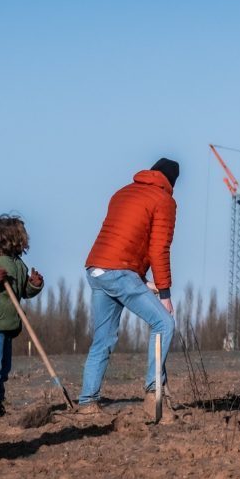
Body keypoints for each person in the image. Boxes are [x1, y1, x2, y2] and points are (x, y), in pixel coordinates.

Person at [78, 158, 179, 423]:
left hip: (97, 268)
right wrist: (165, 293)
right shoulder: (163, 200)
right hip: (118, 271)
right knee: (164, 323)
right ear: (171, 182)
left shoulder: (122, 192)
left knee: (103, 339)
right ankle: (152, 395)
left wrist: (142, 280)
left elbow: (127, 239)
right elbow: (158, 248)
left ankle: (87, 402)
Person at [0, 215, 45, 417]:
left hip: (10, 324)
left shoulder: (19, 265)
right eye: (22, 237)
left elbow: (22, 293)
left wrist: (33, 285)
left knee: (3, 370)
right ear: (9, 238)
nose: (25, 240)